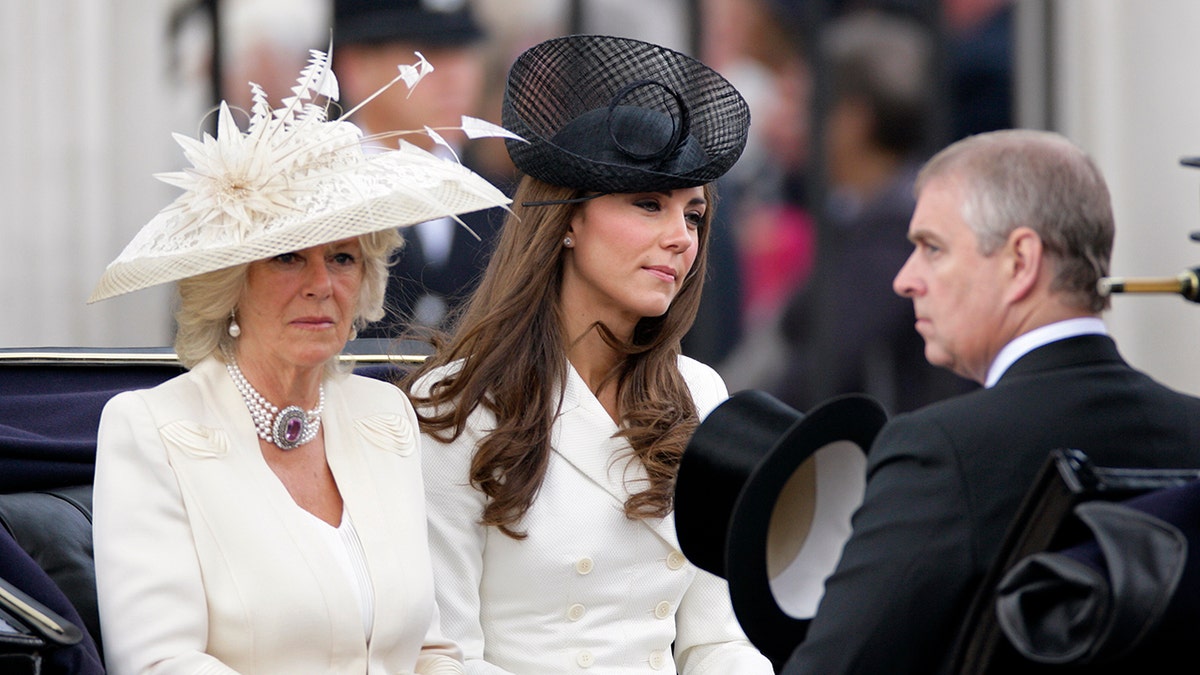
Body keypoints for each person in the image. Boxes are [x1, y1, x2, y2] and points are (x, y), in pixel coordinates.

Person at [87, 49, 509, 674]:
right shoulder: (151, 428)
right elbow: (160, 663)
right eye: (287, 257)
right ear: (230, 280)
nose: (321, 284)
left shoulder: (384, 412)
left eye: (342, 258)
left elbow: (428, 650)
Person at [404, 34, 774, 674]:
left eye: (694, 215)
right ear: (567, 221)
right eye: (648, 204)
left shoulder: (700, 393)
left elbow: (719, 639)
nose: (679, 238)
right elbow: (445, 656)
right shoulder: (456, 402)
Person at [781, 129, 1200, 674]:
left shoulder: (941, 450)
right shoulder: (1192, 429)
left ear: (1020, 261)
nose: (906, 280)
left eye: (932, 247)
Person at [764, 9, 973, 414]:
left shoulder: (897, 224)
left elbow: (824, 364)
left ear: (853, 119)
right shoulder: (859, 208)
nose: (794, 124)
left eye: (808, 105)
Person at [335, 0, 509, 335]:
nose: (455, 78)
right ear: (355, 68)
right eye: (426, 58)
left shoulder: (506, 201)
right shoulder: (303, 192)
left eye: (464, 53)